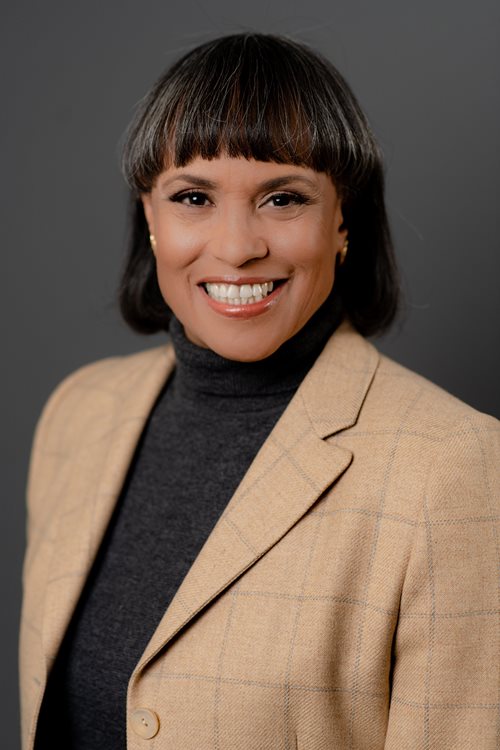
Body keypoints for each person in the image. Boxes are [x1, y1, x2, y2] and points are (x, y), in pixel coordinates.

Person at [20, 33, 499, 750]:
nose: (238, 245)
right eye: (192, 197)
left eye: (283, 198)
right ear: (150, 218)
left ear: (342, 220)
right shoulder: (77, 413)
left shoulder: (455, 467)